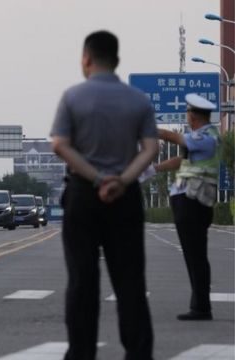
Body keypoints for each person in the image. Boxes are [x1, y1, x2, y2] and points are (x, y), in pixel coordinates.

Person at [50, 30, 159, 360]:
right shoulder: (139, 100)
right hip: (125, 199)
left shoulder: (72, 97)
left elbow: (59, 144)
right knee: (130, 282)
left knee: (83, 281)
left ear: (86, 58)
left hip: (83, 196)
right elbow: (150, 149)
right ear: (117, 61)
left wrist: (96, 178)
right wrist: (122, 180)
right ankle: (138, 353)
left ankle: (82, 354)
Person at [154, 93, 218, 321]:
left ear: (193, 116)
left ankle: (201, 307)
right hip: (188, 201)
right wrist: (154, 169)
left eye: (188, 113)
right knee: (193, 255)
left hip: (195, 202)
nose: (186, 116)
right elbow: (182, 159)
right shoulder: (198, 136)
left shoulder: (208, 136)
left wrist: (155, 130)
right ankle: (199, 304)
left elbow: (180, 141)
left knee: (196, 255)